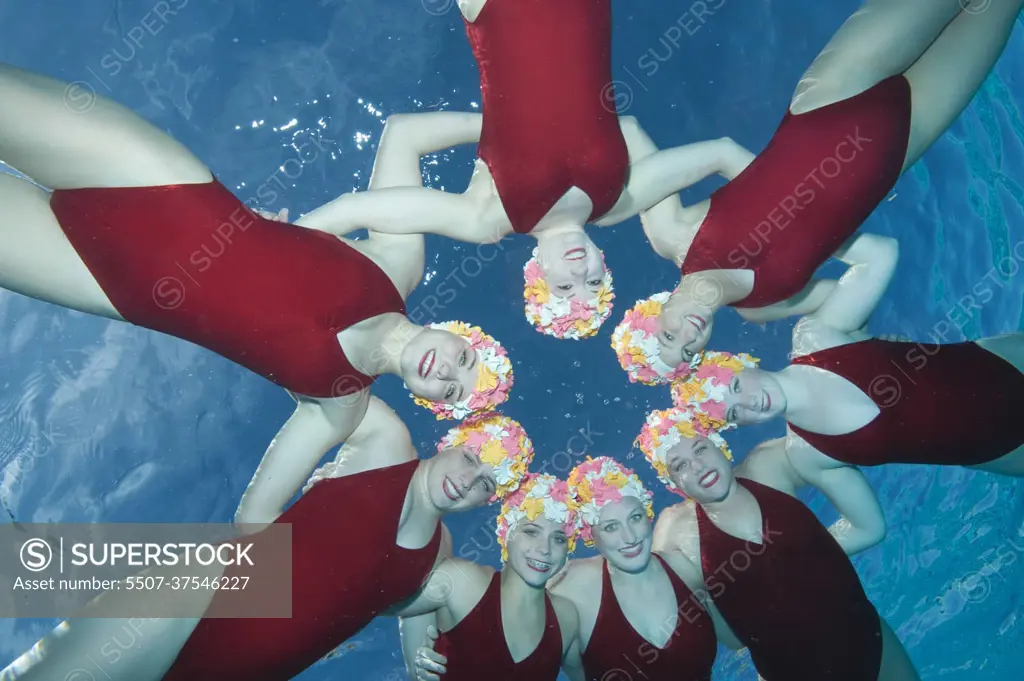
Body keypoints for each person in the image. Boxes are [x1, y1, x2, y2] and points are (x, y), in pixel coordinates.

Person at [0, 63, 513, 529]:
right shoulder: (399, 265)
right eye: (463, 359)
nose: (447, 373)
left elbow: (255, 518)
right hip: (156, 179)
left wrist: (340, 540)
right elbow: (405, 134)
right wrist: (510, 127)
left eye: (452, 392)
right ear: (458, 333)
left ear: (434, 405)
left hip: (103, 282)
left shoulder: (339, 406)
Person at [610, 0, 1024, 384]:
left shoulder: (670, 232)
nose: (687, 335)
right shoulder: (762, 308)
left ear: (652, 312)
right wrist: (821, 238)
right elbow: (862, 280)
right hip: (901, 146)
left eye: (668, 336)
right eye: (689, 351)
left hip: (837, 91)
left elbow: (671, 140)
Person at [296, 0, 757, 340]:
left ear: (536, 275)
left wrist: (275, 240)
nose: (579, 272)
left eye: (563, 285)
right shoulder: (621, 202)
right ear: (604, 265)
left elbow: (354, 208)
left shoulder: (487, 218)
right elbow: (720, 153)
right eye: (593, 281)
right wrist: (804, 214)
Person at [0, 399, 534, 681]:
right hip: (197, 596)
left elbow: (413, 609)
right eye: (470, 458)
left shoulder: (439, 552)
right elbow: (322, 368)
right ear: (449, 440)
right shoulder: (386, 439)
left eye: (485, 483)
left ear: (486, 502)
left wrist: (421, 657)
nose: (467, 479)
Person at [669, 219, 1024, 477]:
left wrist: (803, 233)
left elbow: (880, 255)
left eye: (734, 387)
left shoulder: (816, 336)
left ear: (741, 363)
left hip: (1000, 362)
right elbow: (866, 530)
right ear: (738, 426)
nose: (747, 402)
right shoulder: (806, 453)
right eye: (733, 413)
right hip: (999, 451)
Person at [646, 423, 919, 680]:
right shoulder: (676, 535)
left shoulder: (769, 465)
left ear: (719, 444)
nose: (697, 466)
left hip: (873, 647)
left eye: (701, 448)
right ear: (673, 484)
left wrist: (807, 555)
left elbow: (869, 526)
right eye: (680, 465)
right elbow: (725, 636)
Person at [397, 473, 580, 681]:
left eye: (558, 539)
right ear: (506, 533)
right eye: (531, 532)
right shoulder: (462, 582)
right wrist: (416, 645)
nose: (544, 549)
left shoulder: (566, 618)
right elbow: (380, 602)